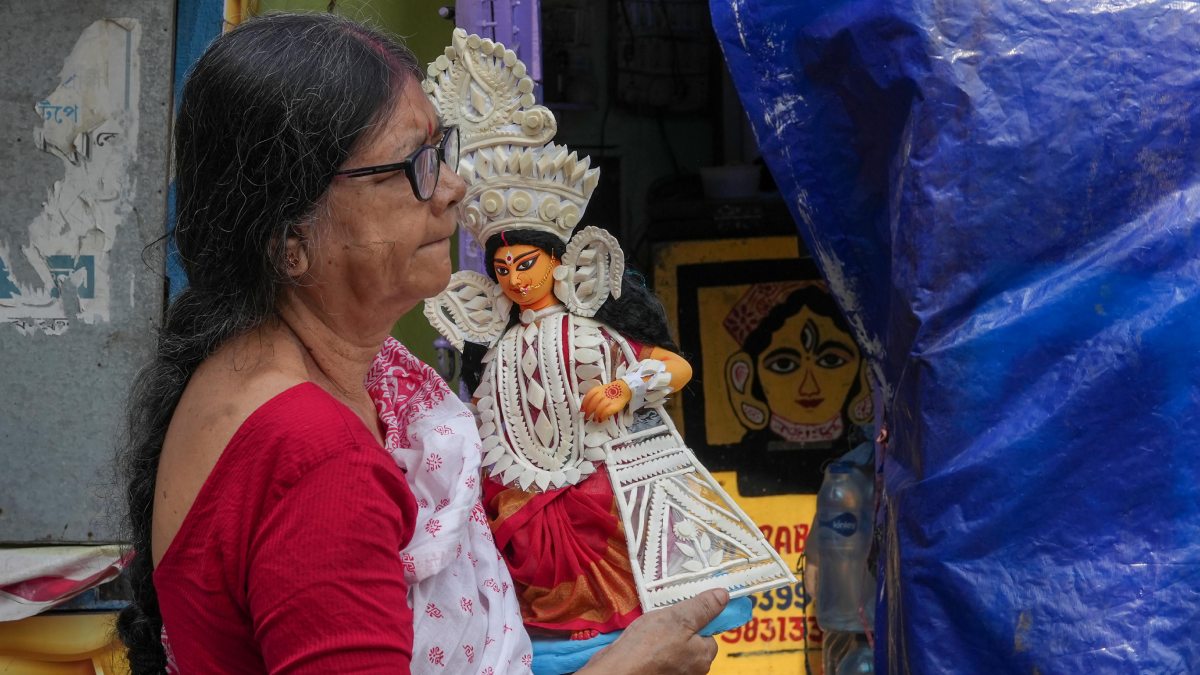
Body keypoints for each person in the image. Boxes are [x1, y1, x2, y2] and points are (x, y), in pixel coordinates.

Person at [116, 12, 728, 674]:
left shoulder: (263, 369)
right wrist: (627, 667)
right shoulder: (317, 458)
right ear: (291, 237)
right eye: (415, 165)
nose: (453, 190)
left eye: (442, 150)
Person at [420, 28, 796, 669]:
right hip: (519, 474)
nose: (515, 279)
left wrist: (626, 387)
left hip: (601, 467)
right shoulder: (497, 340)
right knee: (524, 541)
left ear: (561, 261)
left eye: (526, 263)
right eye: (503, 269)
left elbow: (676, 366)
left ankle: (617, 630)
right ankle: (559, 638)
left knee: (609, 526)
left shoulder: (601, 321)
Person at [723, 281, 874, 494]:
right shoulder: (752, 457)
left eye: (831, 360)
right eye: (784, 364)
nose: (809, 387)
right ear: (743, 376)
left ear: (866, 371)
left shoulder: (866, 454)